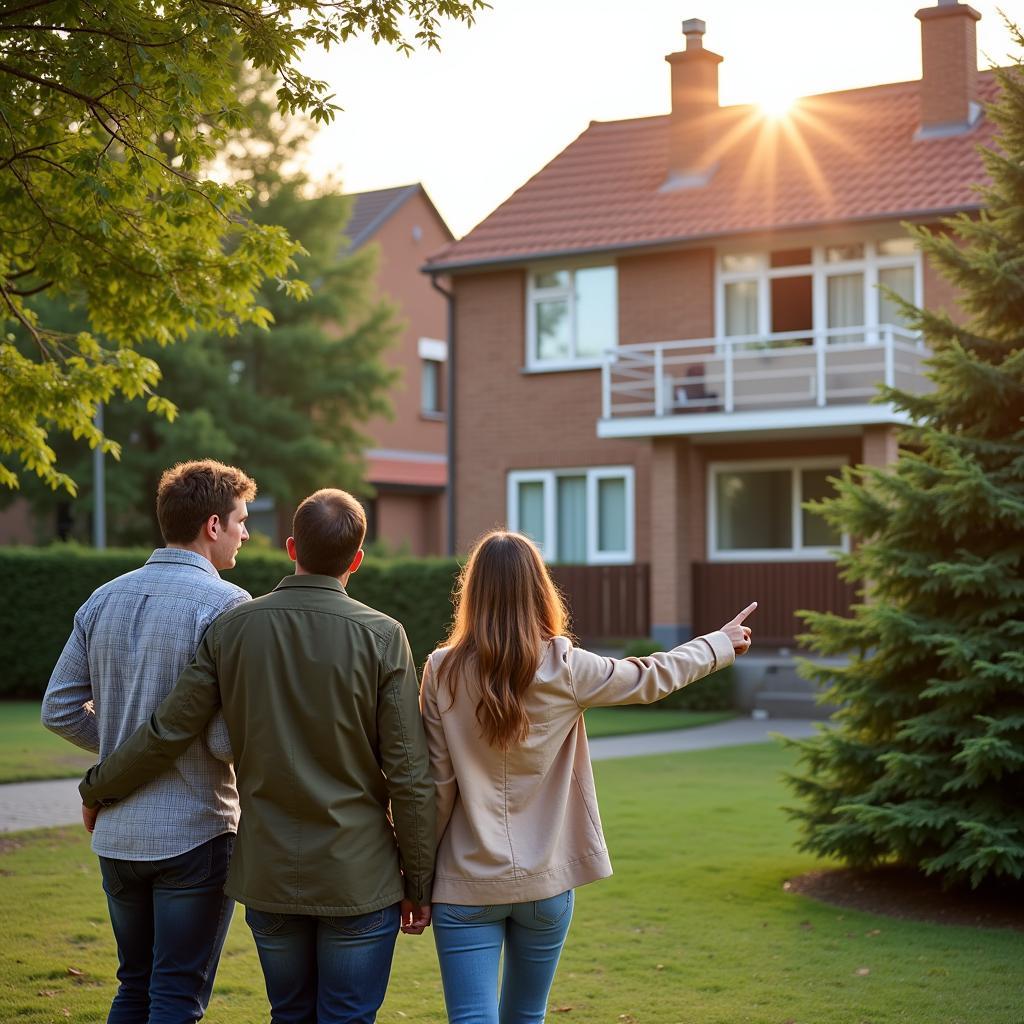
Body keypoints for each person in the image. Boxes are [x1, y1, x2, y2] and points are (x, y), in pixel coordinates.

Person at [78, 488, 436, 1024]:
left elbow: (168, 729)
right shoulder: (383, 636)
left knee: (288, 1014)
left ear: (292, 547)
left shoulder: (234, 626)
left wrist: (98, 786)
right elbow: (408, 773)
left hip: (269, 875)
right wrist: (419, 882)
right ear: (357, 560)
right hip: (358, 876)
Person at [419, 530, 756, 1024]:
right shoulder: (564, 666)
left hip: (465, 883)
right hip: (547, 884)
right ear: (539, 589)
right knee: (527, 1017)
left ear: (473, 591)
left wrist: (416, 875)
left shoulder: (441, 669)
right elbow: (650, 675)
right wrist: (716, 645)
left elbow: (434, 788)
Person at [41, 458, 257, 1024]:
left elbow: (58, 709)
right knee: (176, 998)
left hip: (117, 836)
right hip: (196, 831)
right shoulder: (229, 606)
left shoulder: (103, 598)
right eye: (241, 520)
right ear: (213, 525)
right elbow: (223, 739)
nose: (245, 533)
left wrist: (118, 745)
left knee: (133, 988)